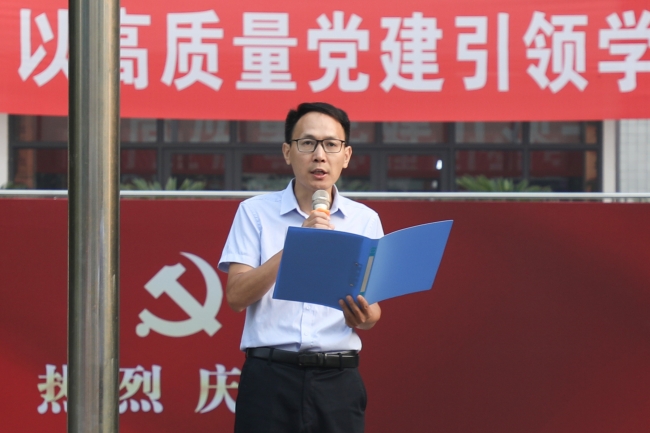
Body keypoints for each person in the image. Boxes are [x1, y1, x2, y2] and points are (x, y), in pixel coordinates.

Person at [218, 102, 384, 433]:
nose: (319, 156)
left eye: (331, 144)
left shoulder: (365, 220)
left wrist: (363, 316)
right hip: (269, 379)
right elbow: (236, 296)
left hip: (338, 380)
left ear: (346, 156)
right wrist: (297, 245)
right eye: (307, 143)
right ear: (287, 152)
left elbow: (373, 314)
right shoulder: (254, 213)